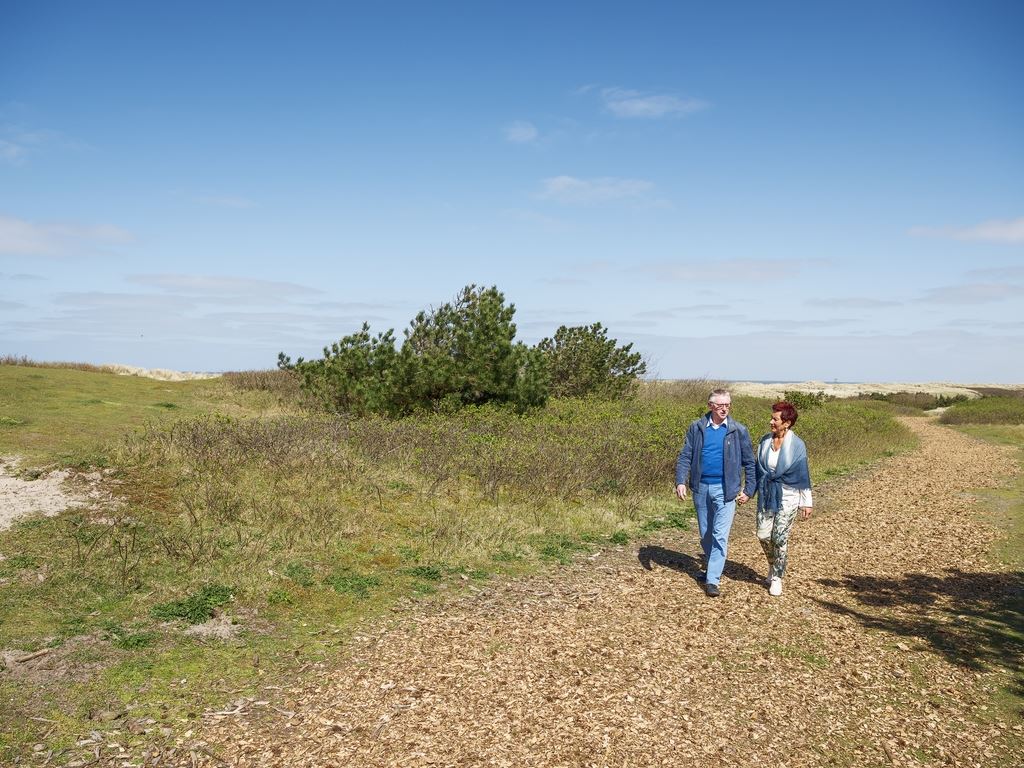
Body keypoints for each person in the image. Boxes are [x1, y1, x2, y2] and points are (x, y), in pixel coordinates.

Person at [675, 388, 756, 597]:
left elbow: (749, 462)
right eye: (720, 405)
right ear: (710, 406)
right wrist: (680, 481)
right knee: (706, 534)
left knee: (720, 535)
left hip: (726, 490)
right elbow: (686, 455)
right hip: (701, 488)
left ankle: (712, 579)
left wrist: (748, 490)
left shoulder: (738, 430)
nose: (724, 409)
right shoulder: (697, 427)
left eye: (728, 405)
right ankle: (712, 567)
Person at [754, 400, 813, 597]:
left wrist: (806, 502)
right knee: (763, 535)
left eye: (775, 419)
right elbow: (757, 470)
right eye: (772, 417)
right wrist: (748, 491)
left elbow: (803, 474)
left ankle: (777, 577)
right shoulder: (764, 441)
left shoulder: (797, 445)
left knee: (779, 537)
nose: (771, 421)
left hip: (788, 496)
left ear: (786, 423)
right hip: (767, 493)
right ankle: (772, 565)